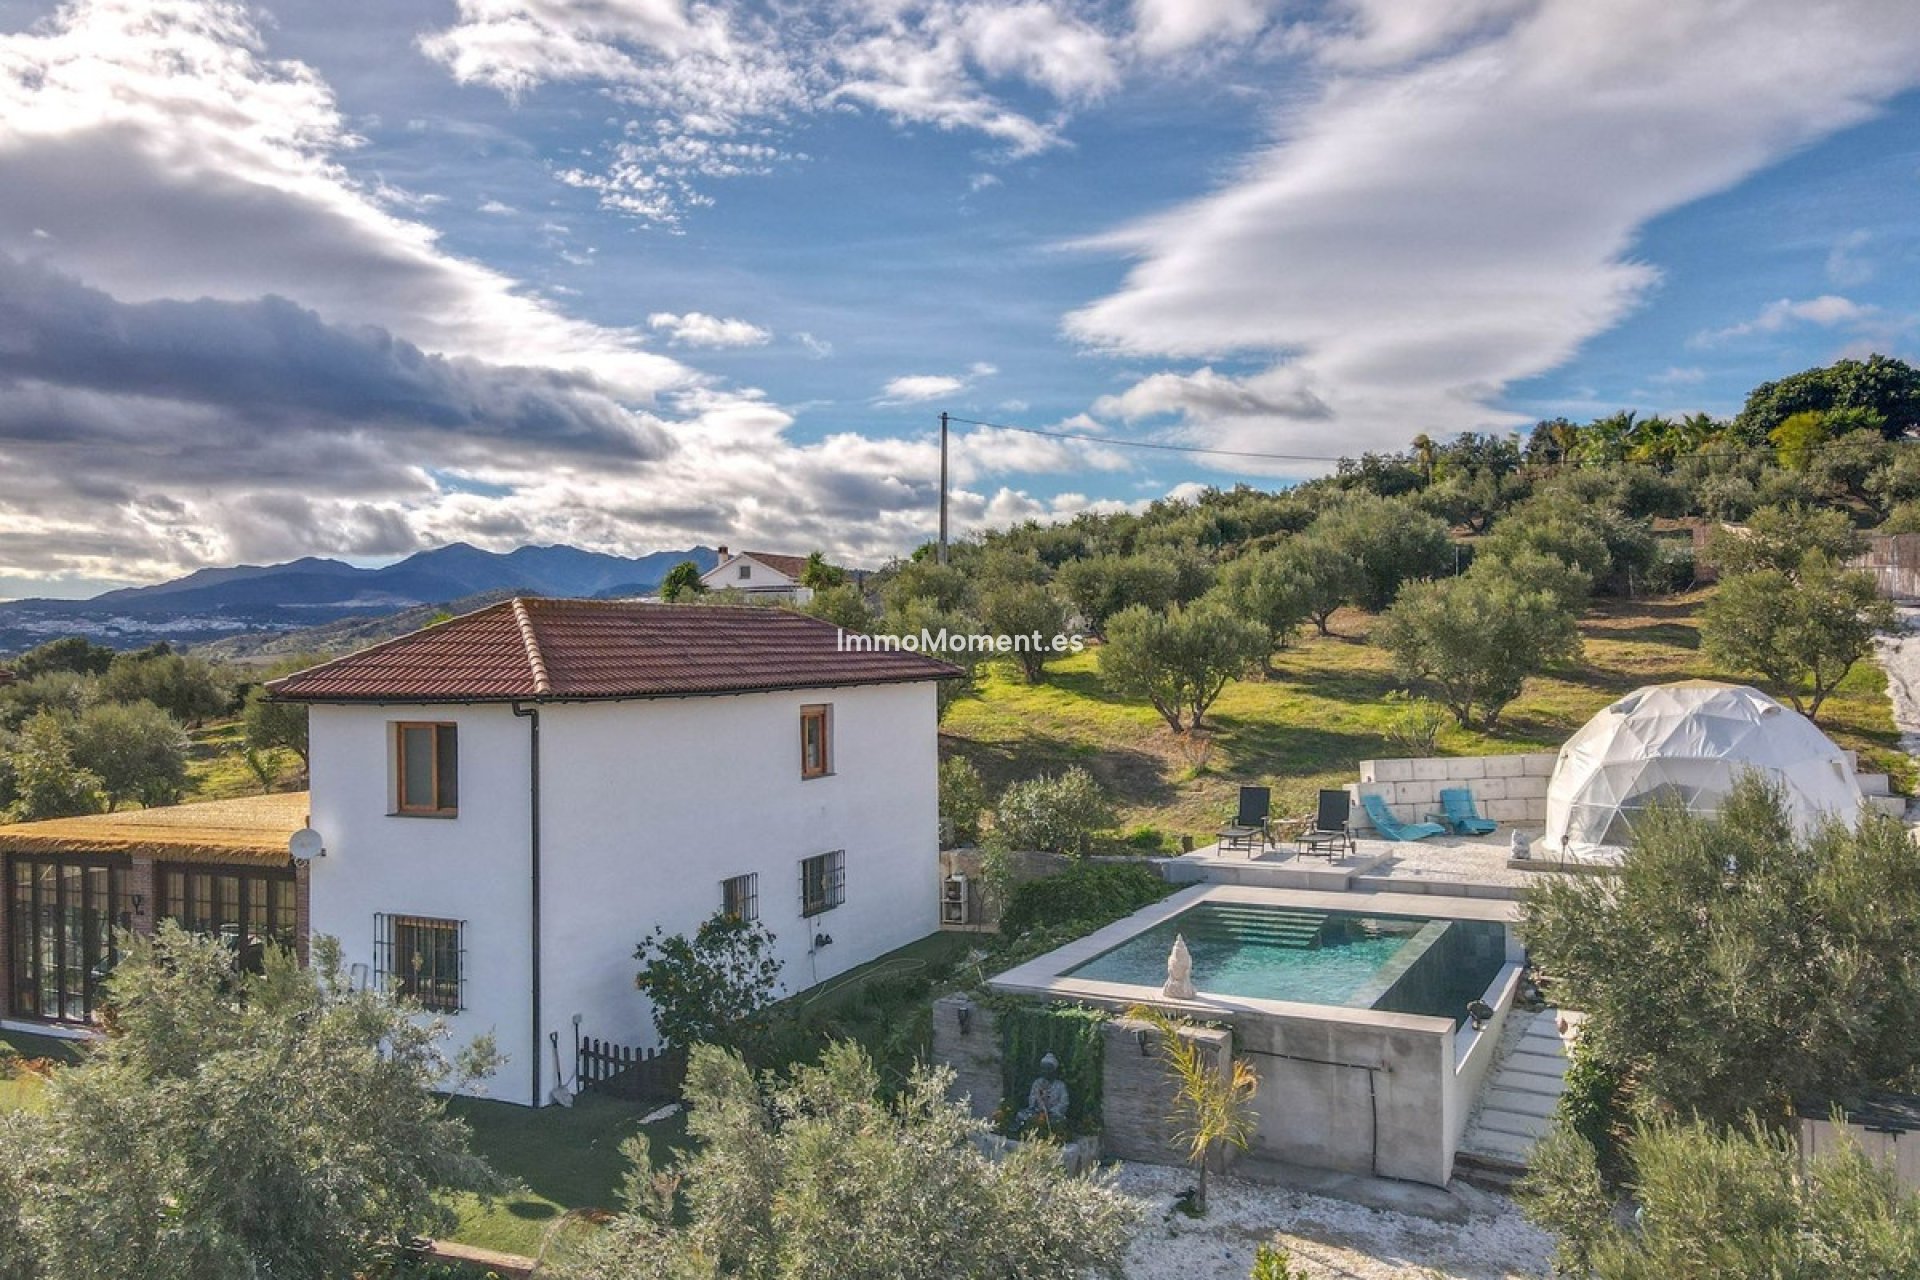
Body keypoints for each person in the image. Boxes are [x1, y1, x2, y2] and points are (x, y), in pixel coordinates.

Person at [1014, 1052, 1069, 1130]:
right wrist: (1038, 1099)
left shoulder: (1060, 1085)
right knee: (1021, 1114)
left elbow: (1064, 1103)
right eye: (1043, 1069)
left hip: (1053, 1114)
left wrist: (1051, 1111)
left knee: (1059, 1120)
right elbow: (1032, 1099)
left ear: (1054, 1070)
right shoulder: (1037, 1083)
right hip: (1037, 1112)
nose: (1045, 1071)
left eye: (1048, 1069)